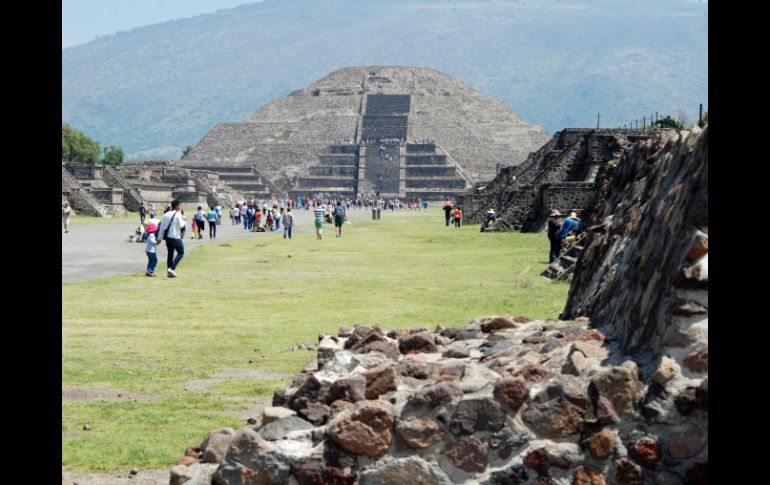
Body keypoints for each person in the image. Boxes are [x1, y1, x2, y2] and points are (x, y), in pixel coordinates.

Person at [158, 199, 186, 278]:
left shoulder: (166, 214)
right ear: (176, 206)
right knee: (181, 252)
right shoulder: (178, 214)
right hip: (175, 237)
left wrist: (159, 238)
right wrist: (184, 220)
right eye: (179, 205)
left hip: (168, 238)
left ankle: (169, 272)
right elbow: (181, 225)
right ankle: (171, 268)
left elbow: (161, 227)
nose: (180, 207)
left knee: (170, 254)